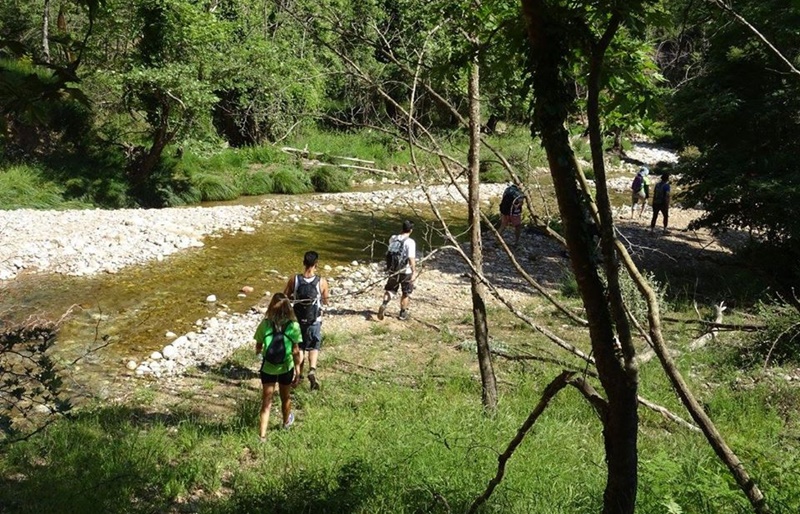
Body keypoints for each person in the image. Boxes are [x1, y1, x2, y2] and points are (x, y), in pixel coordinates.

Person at [254, 293, 301, 440]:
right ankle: (286, 423)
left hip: (268, 368)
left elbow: (258, 347)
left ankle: (262, 436)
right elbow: (295, 351)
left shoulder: (265, 324)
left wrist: (262, 355)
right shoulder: (293, 326)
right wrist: (298, 370)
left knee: (266, 401)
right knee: (285, 397)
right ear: (288, 307)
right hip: (286, 367)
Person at [284, 251, 329, 391]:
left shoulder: (294, 279)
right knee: (314, 346)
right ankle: (312, 370)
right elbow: (326, 301)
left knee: (300, 347)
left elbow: (285, 296)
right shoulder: (321, 281)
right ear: (317, 264)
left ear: (304, 262)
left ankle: (298, 375)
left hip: (298, 320)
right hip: (314, 320)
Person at [377, 220, 417, 321]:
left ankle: (384, 304)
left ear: (402, 228)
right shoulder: (410, 242)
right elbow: (411, 258)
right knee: (405, 292)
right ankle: (402, 314)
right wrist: (414, 272)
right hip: (405, 271)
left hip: (393, 270)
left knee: (390, 289)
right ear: (411, 230)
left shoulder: (393, 238)